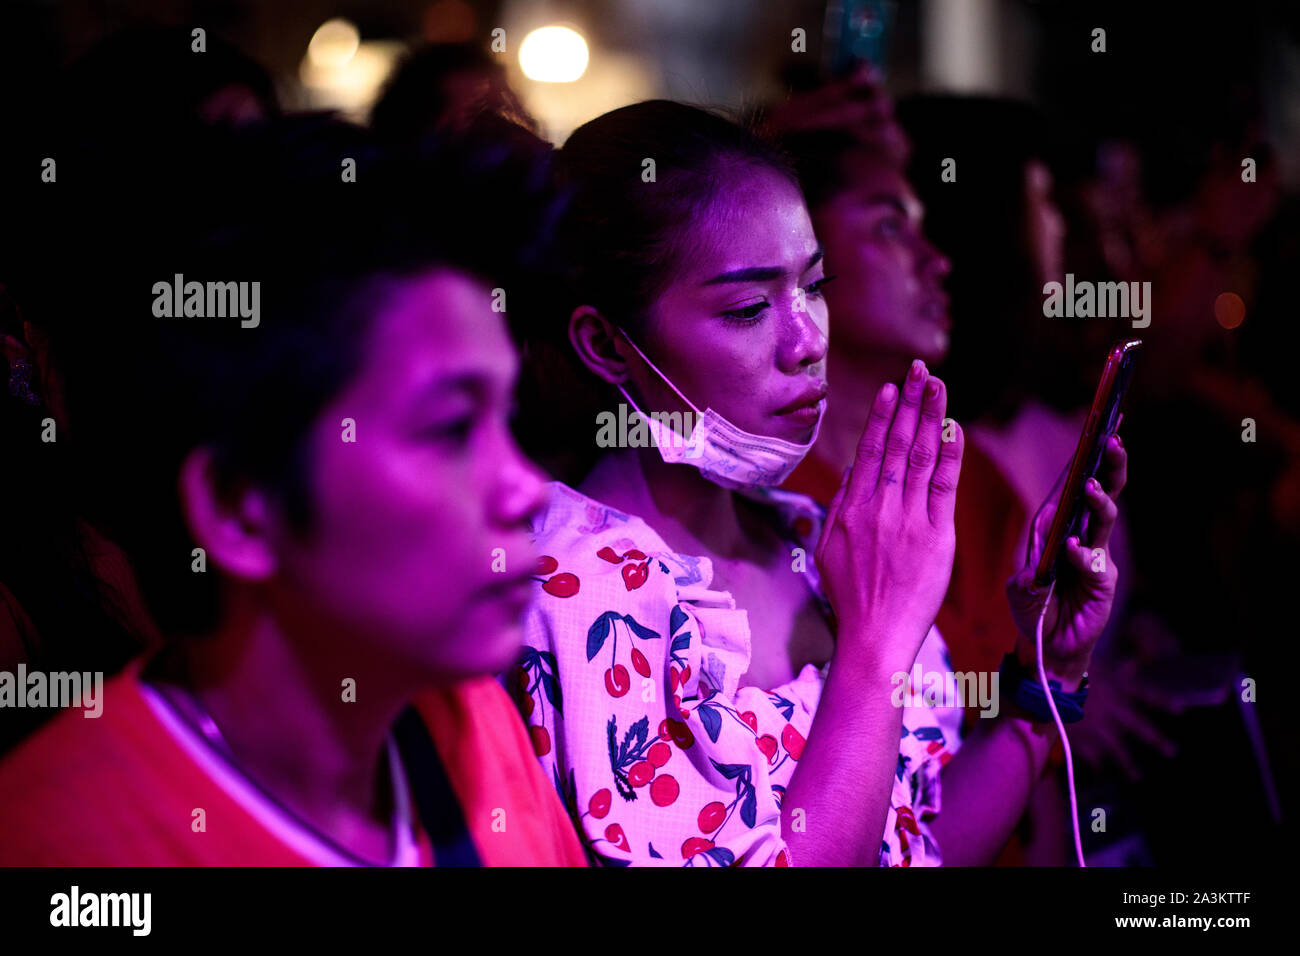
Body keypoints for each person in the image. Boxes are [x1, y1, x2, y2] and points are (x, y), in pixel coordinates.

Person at [511, 100, 1127, 866]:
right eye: (746, 309)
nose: (806, 342)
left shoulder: (809, 536)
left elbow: (920, 843)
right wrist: (874, 646)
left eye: (814, 285)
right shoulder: (574, 590)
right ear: (606, 344)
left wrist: (1049, 671)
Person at [0, 115, 586, 866]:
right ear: (241, 508)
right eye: (449, 429)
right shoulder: (68, 841)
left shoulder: (472, 720)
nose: (527, 489)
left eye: (508, 420)